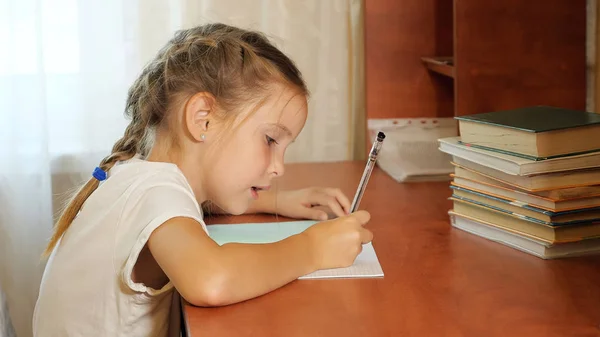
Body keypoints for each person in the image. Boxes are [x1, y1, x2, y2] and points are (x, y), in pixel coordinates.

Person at [33, 23, 373, 337]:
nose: (279, 168)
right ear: (203, 120)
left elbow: (187, 209)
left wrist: (273, 200)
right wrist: (312, 248)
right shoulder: (156, 189)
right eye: (271, 140)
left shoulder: (137, 173)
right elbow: (211, 280)